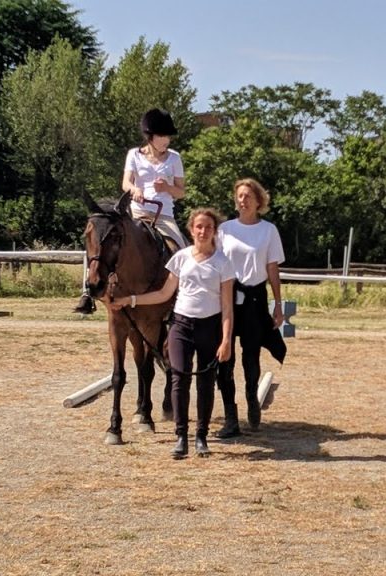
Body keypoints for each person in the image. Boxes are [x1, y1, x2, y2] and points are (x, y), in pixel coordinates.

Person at [109, 208, 233, 459]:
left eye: (208, 227)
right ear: (192, 229)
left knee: (206, 382)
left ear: (214, 231)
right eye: (199, 226)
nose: (203, 231)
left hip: (209, 325)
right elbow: (164, 294)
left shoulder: (223, 263)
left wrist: (227, 339)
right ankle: (180, 436)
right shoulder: (180, 258)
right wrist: (130, 300)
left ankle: (201, 436)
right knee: (179, 378)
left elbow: (227, 305)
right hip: (181, 325)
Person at [215, 178, 287, 438]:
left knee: (251, 355)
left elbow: (272, 268)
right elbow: (216, 263)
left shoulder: (268, 231)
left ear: (258, 201)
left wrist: (278, 304)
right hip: (227, 296)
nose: (242, 201)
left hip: (255, 298)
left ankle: (251, 397)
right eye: (239, 196)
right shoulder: (224, 229)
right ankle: (230, 417)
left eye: (247, 196)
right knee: (225, 357)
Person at [122, 108, 188, 249]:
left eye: (168, 136)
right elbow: (125, 183)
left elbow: (181, 193)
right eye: (162, 136)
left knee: (181, 253)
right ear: (149, 136)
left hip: (163, 216)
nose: (167, 140)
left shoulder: (175, 158)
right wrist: (134, 190)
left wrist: (167, 188)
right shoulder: (133, 154)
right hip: (137, 213)